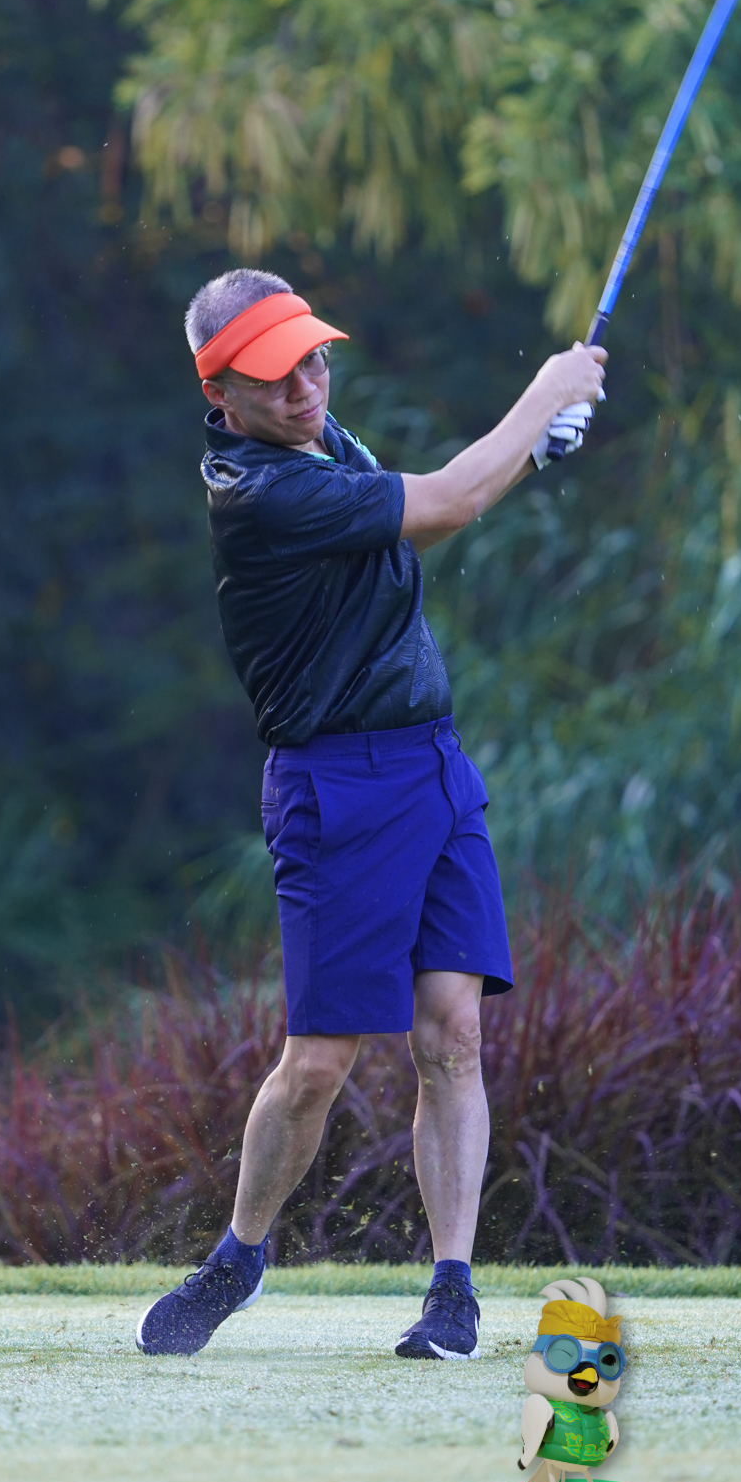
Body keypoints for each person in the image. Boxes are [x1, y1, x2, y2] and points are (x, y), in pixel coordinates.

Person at [136, 269, 606, 1361]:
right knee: (319, 1064)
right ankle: (239, 1256)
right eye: (275, 376)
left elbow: (416, 524)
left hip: (431, 764)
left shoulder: (318, 442)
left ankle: (451, 1293)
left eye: (312, 359)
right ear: (220, 393)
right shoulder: (258, 490)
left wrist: (532, 452)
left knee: (453, 1032)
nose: (305, 386)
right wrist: (542, 399)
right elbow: (444, 501)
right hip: (335, 787)